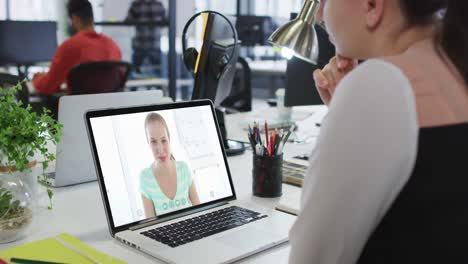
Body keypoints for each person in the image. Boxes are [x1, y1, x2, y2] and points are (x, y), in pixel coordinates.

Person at [289, 0, 468, 263]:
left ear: (372, 6)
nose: (318, 14)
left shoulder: (380, 84)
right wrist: (345, 115)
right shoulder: (454, 66)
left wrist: (353, 106)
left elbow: (312, 256)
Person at [32, 0, 122, 95]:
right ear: (91, 17)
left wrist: (37, 78)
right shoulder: (113, 46)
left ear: (74, 18)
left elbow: (47, 86)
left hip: (78, 108)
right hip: (107, 106)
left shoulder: (70, 46)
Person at [140, 112, 200, 217]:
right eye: (153, 141)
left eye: (163, 140)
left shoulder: (184, 169)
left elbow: (200, 211)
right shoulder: (145, 178)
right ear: (148, 143)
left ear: (169, 139)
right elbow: (150, 224)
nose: (160, 149)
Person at [125, 0, 166, 76]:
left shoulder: (137, 4)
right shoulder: (158, 4)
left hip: (143, 44)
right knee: (158, 72)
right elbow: (164, 23)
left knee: (135, 72)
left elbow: (128, 22)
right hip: (151, 44)